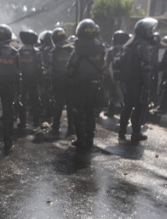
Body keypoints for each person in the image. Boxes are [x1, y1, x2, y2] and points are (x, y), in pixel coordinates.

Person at [65, 19, 107, 150]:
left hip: (80, 86)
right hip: (95, 86)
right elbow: (104, 67)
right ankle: (90, 139)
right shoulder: (101, 47)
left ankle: (80, 139)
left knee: (79, 112)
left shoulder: (78, 48)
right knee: (91, 112)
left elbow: (69, 68)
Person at [118, 18, 158, 143]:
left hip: (127, 81)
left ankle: (122, 131)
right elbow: (146, 67)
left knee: (128, 106)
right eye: (149, 30)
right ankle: (136, 133)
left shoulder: (129, 43)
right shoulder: (143, 45)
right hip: (138, 82)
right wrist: (147, 86)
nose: (151, 33)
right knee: (139, 107)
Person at [0, 24, 20, 150]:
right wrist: (19, 91)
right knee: (8, 113)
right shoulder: (14, 52)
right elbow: (19, 74)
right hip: (10, 86)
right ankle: (8, 141)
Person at [47, 27, 74, 137]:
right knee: (71, 105)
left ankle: (56, 127)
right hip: (71, 82)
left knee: (58, 105)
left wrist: (48, 80)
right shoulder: (72, 49)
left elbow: (50, 69)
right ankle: (71, 127)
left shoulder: (53, 52)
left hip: (58, 82)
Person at [17, 29, 41, 130]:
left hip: (22, 79)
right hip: (33, 79)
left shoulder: (18, 52)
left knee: (22, 100)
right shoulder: (37, 52)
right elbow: (40, 67)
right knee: (35, 99)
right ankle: (36, 121)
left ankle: (22, 122)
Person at [105, 30, 130, 119]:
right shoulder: (128, 49)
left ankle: (112, 111)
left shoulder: (111, 50)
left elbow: (107, 63)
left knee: (113, 92)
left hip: (112, 73)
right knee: (121, 93)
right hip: (124, 75)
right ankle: (122, 114)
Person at [37, 30, 54, 126]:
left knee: (46, 93)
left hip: (46, 74)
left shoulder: (44, 50)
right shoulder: (55, 48)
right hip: (55, 75)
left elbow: (42, 63)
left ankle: (48, 111)